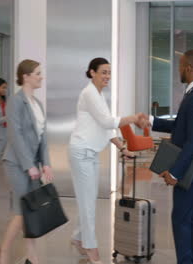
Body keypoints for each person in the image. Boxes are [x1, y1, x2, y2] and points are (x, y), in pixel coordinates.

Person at [139, 50, 193, 264]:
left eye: (180, 66)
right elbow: (180, 126)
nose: (178, 70)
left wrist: (174, 172)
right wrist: (152, 121)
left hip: (192, 171)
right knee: (189, 219)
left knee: (181, 219)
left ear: (189, 68)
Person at [69, 57, 143, 264]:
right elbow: (106, 121)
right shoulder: (89, 93)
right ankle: (92, 249)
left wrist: (122, 147)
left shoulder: (99, 95)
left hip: (90, 153)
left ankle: (77, 238)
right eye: (103, 72)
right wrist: (133, 118)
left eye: (109, 72)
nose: (107, 76)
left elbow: (106, 127)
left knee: (89, 200)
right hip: (81, 152)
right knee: (87, 204)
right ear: (92, 72)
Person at [0, 59, 54, 264]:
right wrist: (29, 164)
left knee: (31, 211)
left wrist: (45, 163)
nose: (41, 77)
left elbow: (43, 136)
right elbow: (16, 135)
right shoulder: (15, 101)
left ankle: (32, 257)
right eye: (37, 73)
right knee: (22, 211)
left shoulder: (37, 104)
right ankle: (3, 251)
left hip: (33, 166)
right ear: (25, 77)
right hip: (16, 163)